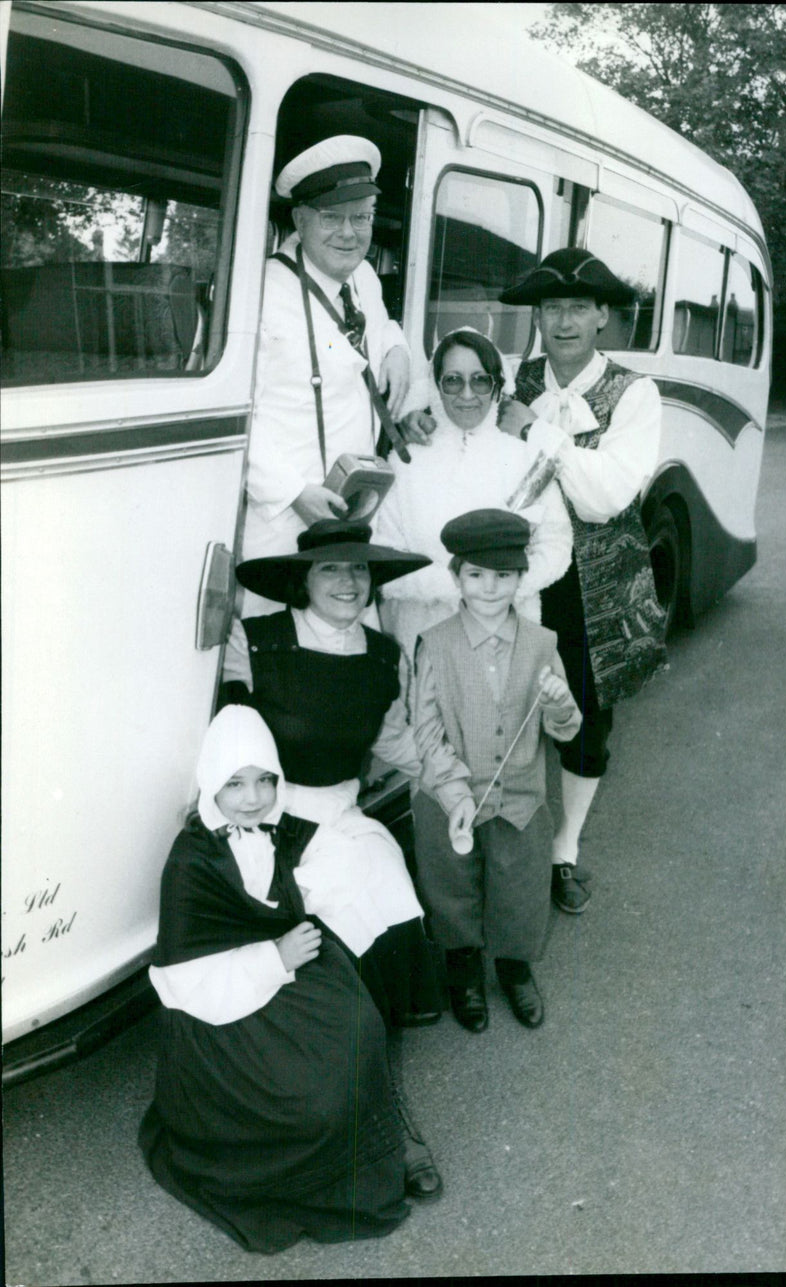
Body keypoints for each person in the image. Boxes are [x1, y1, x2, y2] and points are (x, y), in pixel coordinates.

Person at [222, 518, 446, 1198]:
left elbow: (397, 744)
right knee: (317, 939)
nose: (349, 582)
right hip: (266, 824)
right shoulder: (253, 642)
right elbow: (225, 747)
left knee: (378, 882)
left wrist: (456, 784)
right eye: (331, 569)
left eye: (360, 570)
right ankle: (333, 1112)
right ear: (302, 579)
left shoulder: (384, 654)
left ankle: (380, 1105)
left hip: (344, 819)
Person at [139, 705, 410, 1253]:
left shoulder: (273, 828)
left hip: (279, 969)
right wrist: (276, 957)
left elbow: (324, 850)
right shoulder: (191, 861)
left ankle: (377, 1153)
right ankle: (317, 1176)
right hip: (222, 1007)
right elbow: (186, 980)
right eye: (235, 783)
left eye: (265, 780)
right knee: (306, 1092)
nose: (253, 797)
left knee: (357, 1023)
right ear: (211, 783)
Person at [495, 248, 668, 915]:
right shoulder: (514, 378)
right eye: (551, 308)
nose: (563, 321)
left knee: (587, 722)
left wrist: (539, 433)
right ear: (537, 315)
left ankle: (564, 850)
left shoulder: (634, 392)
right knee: (513, 709)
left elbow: (607, 495)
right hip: (529, 574)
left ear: (603, 315)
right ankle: (509, 842)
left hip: (599, 588)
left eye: (578, 307)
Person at [412, 510, 582, 1034]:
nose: (490, 588)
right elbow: (426, 731)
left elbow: (568, 729)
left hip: (521, 799)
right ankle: (462, 969)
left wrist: (558, 702)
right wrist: (456, 792)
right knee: (452, 889)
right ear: (455, 576)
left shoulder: (543, 643)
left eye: (503, 576)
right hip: (448, 799)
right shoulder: (433, 643)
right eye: (476, 575)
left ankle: (514, 969)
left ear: (520, 577)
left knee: (520, 889)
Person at [241, 133, 412, 615]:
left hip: (350, 519)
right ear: (299, 219)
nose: (349, 233)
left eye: (361, 218)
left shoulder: (363, 278)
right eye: (332, 217)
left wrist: (396, 347)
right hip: (283, 523)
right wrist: (292, 491)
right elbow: (233, 413)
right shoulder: (257, 294)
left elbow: (374, 329)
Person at [372, 327, 573, 670]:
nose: (467, 394)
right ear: (437, 385)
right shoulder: (405, 462)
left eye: (480, 380)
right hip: (421, 638)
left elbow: (556, 544)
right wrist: (462, 587)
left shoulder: (524, 457)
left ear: (496, 386)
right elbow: (384, 557)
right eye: (453, 380)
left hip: (508, 636)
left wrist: (507, 587)